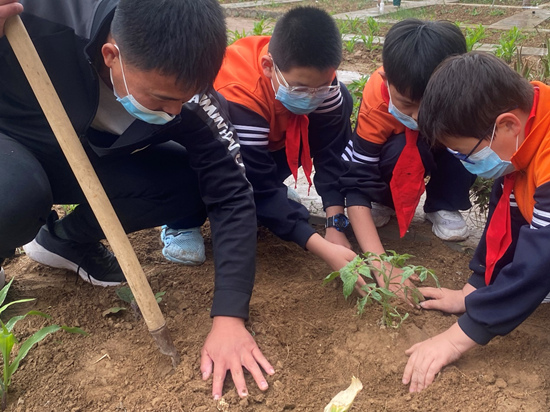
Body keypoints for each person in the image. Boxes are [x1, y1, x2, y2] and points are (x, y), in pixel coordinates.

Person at [0, 0, 273, 399]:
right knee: (13, 199)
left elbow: (232, 192)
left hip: (84, 156)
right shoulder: (34, 18)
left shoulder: (189, 96)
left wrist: (230, 316)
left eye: (185, 99)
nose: (175, 112)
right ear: (111, 55)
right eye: (161, 100)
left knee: (188, 183)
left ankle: (63, 242)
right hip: (12, 144)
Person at [162, 7, 357, 273]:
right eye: (300, 88)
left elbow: (332, 153)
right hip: (214, 153)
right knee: (220, 181)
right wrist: (320, 246)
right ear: (268, 66)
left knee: (339, 103)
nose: (312, 96)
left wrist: (335, 224)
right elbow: (252, 177)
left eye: (321, 88)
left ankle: (275, 198)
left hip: (261, 146)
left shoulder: (324, 85)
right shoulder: (240, 93)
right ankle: (180, 223)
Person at [402, 51, 550, 392]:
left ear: (507, 125)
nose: (464, 163)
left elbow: (540, 263)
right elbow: (508, 218)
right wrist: (473, 291)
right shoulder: (526, 134)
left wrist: (457, 338)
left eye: (466, 153)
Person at [340, 19, 476, 252]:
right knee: (398, 148)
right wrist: (377, 257)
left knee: (465, 145)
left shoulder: (463, 96)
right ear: (387, 81)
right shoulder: (376, 104)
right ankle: (385, 200)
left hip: (441, 144)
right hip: (398, 147)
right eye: (407, 104)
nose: (419, 117)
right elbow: (359, 173)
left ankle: (443, 203)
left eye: (430, 106)